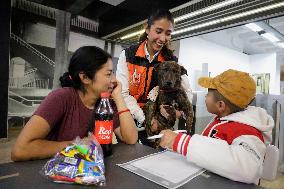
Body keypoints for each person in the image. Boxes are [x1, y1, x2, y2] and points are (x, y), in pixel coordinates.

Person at [11, 46, 138, 161]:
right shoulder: (61, 98)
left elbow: (131, 138)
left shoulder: (106, 104)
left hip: (85, 171)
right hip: (55, 171)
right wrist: (77, 146)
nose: (114, 80)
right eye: (109, 74)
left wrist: (119, 97)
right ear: (85, 78)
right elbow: (20, 150)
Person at [159, 69, 274, 184]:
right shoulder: (224, 117)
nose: (205, 97)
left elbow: (248, 168)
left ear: (220, 105)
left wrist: (182, 142)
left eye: (208, 94)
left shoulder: (248, 130)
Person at [116, 9, 193, 143]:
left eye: (168, 34)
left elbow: (187, 93)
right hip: (129, 121)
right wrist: (145, 119)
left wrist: (176, 112)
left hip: (159, 125)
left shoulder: (172, 62)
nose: (163, 39)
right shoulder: (128, 55)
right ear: (147, 29)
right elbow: (122, 93)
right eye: (158, 31)